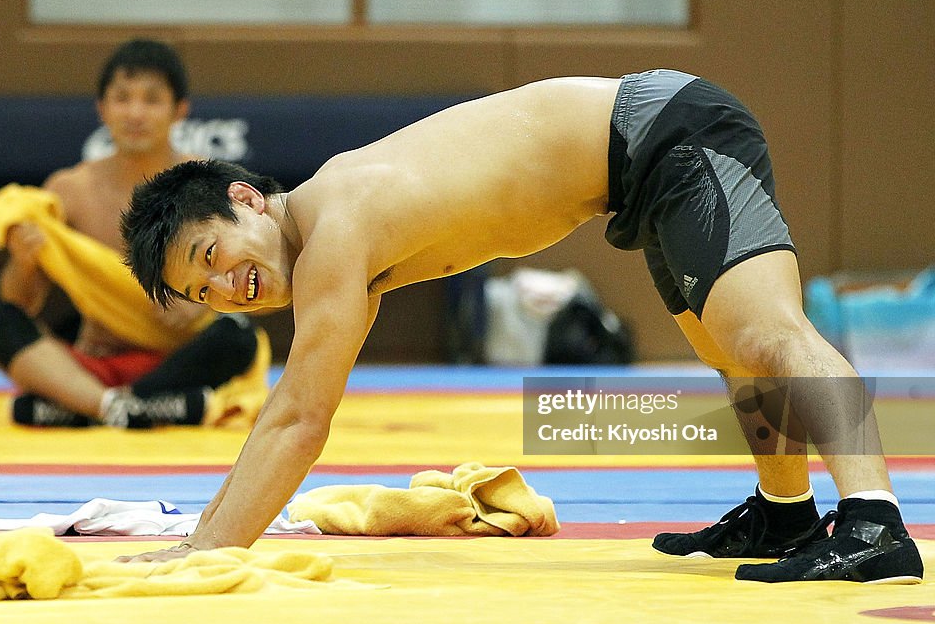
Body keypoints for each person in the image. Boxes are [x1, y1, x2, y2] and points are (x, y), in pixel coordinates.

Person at [118, 69, 923, 584]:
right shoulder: (334, 241)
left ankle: (872, 521)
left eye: (213, 254)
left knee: (766, 335)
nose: (229, 286)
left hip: (668, 134)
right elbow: (286, 415)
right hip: (642, 159)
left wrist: (204, 553)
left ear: (247, 199)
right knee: (728, 348)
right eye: (206, 290)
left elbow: (298, 419)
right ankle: (784, 511)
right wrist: (206, 534)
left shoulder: (335, 230)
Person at [0, 38, 264, 428]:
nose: (135, 112)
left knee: (238, 335)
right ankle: (125, 406)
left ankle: (89, 407)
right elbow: (21, 302)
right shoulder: (68, 190)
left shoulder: (205, 181)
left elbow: (247, 273)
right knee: (0, 321)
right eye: (122, 98)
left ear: (179, 110)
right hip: (94, 359)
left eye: (151, 99)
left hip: (178, 359)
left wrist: (201, 300)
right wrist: (25, 261)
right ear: (102, 109)